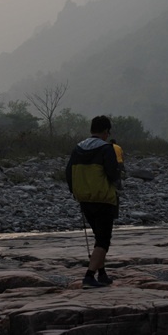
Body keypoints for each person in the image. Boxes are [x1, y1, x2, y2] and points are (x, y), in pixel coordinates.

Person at [65, 115, 120, 289]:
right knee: (103, 240)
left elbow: (68, 173)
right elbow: (113, 174)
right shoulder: (106, 148)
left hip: (85, 199)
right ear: (106, 131)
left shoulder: (78, 148)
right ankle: (89, 276)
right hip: (103, 199)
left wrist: (75, 192)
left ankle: (102, 274)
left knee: (98, 236)